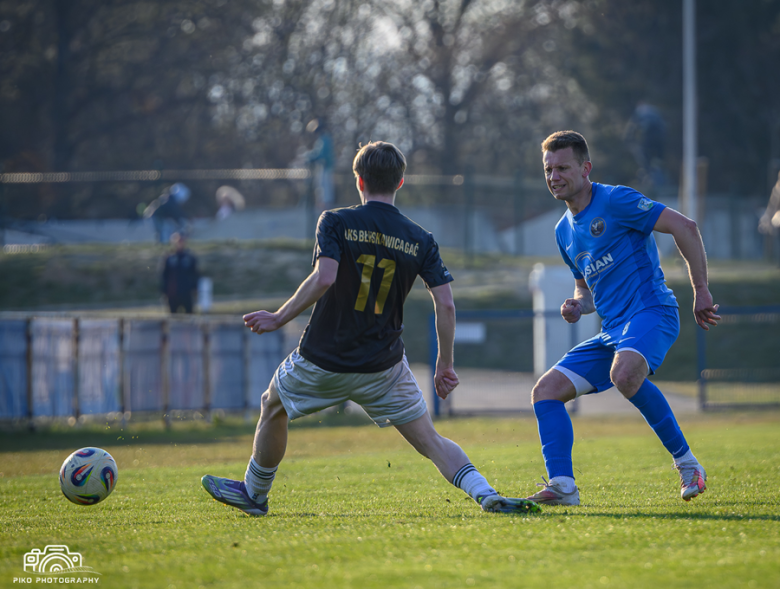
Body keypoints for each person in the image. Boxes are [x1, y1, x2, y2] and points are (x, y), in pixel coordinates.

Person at [201, 141, 540, 516]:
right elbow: (445, 303)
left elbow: (324, 276)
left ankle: (255, 493)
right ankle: (485, 493)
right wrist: (445, 364)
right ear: (401, 181)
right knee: (430, 440)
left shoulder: (335, 221)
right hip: (383, 367)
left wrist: (280, 316)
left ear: (359, 181)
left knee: (273, 405)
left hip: (323, 360)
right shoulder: (420, 238)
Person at [525, 130, 721, 506]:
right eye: (548, 169)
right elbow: (586, 290)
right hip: (613, 331)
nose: (554, 177)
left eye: (563, 167)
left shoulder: (616, 200)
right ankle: (563, 486)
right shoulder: (563, 231)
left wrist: (701, 290)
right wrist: (577, 305)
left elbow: (686, 227)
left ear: (586, 168)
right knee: (545, 393)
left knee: (624, 373)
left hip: (652, 312)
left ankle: (687, 464)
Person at [160, 232, 199, 314]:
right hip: (173, 293)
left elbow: (195, 274)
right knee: (173, 316)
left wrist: (195, 289)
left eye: (181, 241)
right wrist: (164, 291)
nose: (180, 243)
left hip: (187, 292)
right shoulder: (169, 258)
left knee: (189, 314)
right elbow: (165, 275)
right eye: (178, 241)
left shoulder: (189, 258)